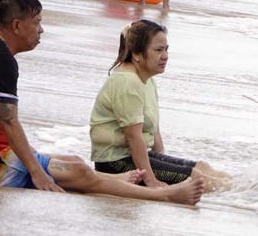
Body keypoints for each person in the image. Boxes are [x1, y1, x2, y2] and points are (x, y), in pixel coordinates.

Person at [0, 0, 204, 204]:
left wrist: (35, 159)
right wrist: (37, 173)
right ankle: (164, 195)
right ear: (16, 25)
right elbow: (8, 121)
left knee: (73, 161)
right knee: (79, 172)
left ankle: (113, 181)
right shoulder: (0, 60)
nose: (41, 29)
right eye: (36, 22)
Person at [90, 20, 229, 190]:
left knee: (202, 167)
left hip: (134, 157)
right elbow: (133, 136)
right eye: (158, 50)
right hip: (114, 163)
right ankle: (240, 200)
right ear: (136, 54)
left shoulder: (146, 79)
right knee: (198, 179)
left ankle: (250, 193)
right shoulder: (127, 82)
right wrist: (151, 180)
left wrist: (163, 161)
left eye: (166, 49)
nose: (165, 56)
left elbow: (153, 130)